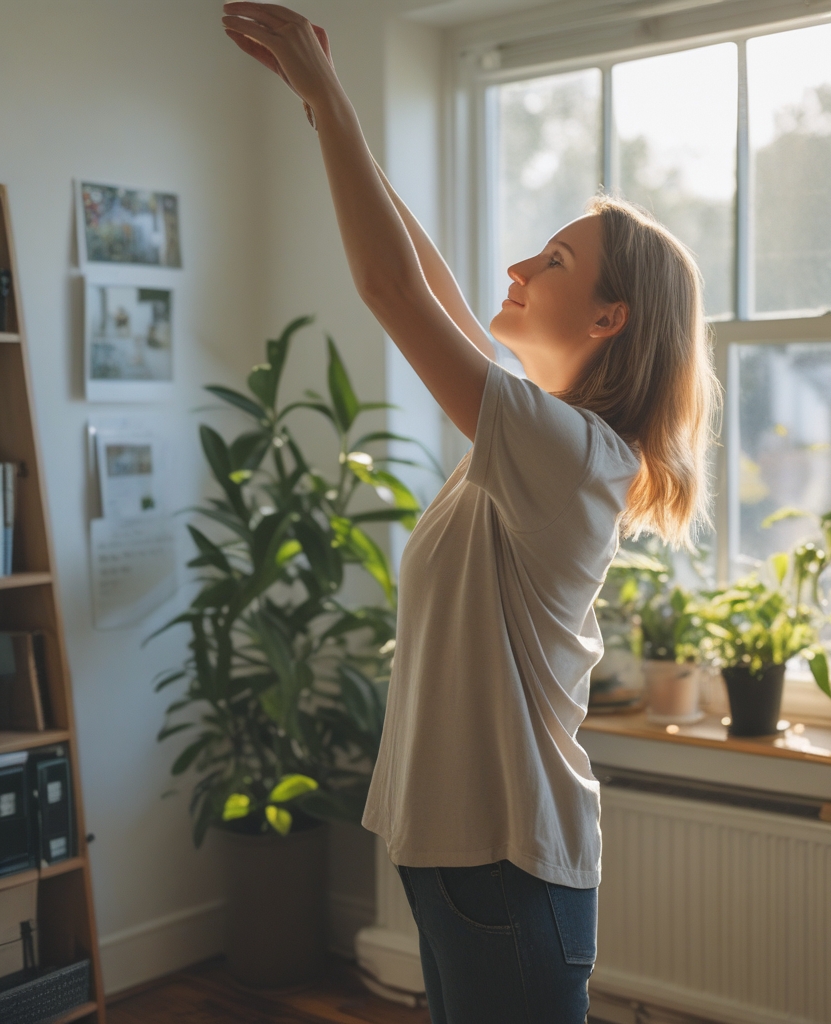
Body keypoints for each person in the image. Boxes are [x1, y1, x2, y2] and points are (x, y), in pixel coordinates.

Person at [222, 5, 720, 1021]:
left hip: (506, 864)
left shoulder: (569, 453)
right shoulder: (536, 443)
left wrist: (327, 95)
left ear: (607, 316)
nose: (515, 271)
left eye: (549, 261)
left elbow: (391, 290)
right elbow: (430, 286)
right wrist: (330, 112)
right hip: (460, 855)